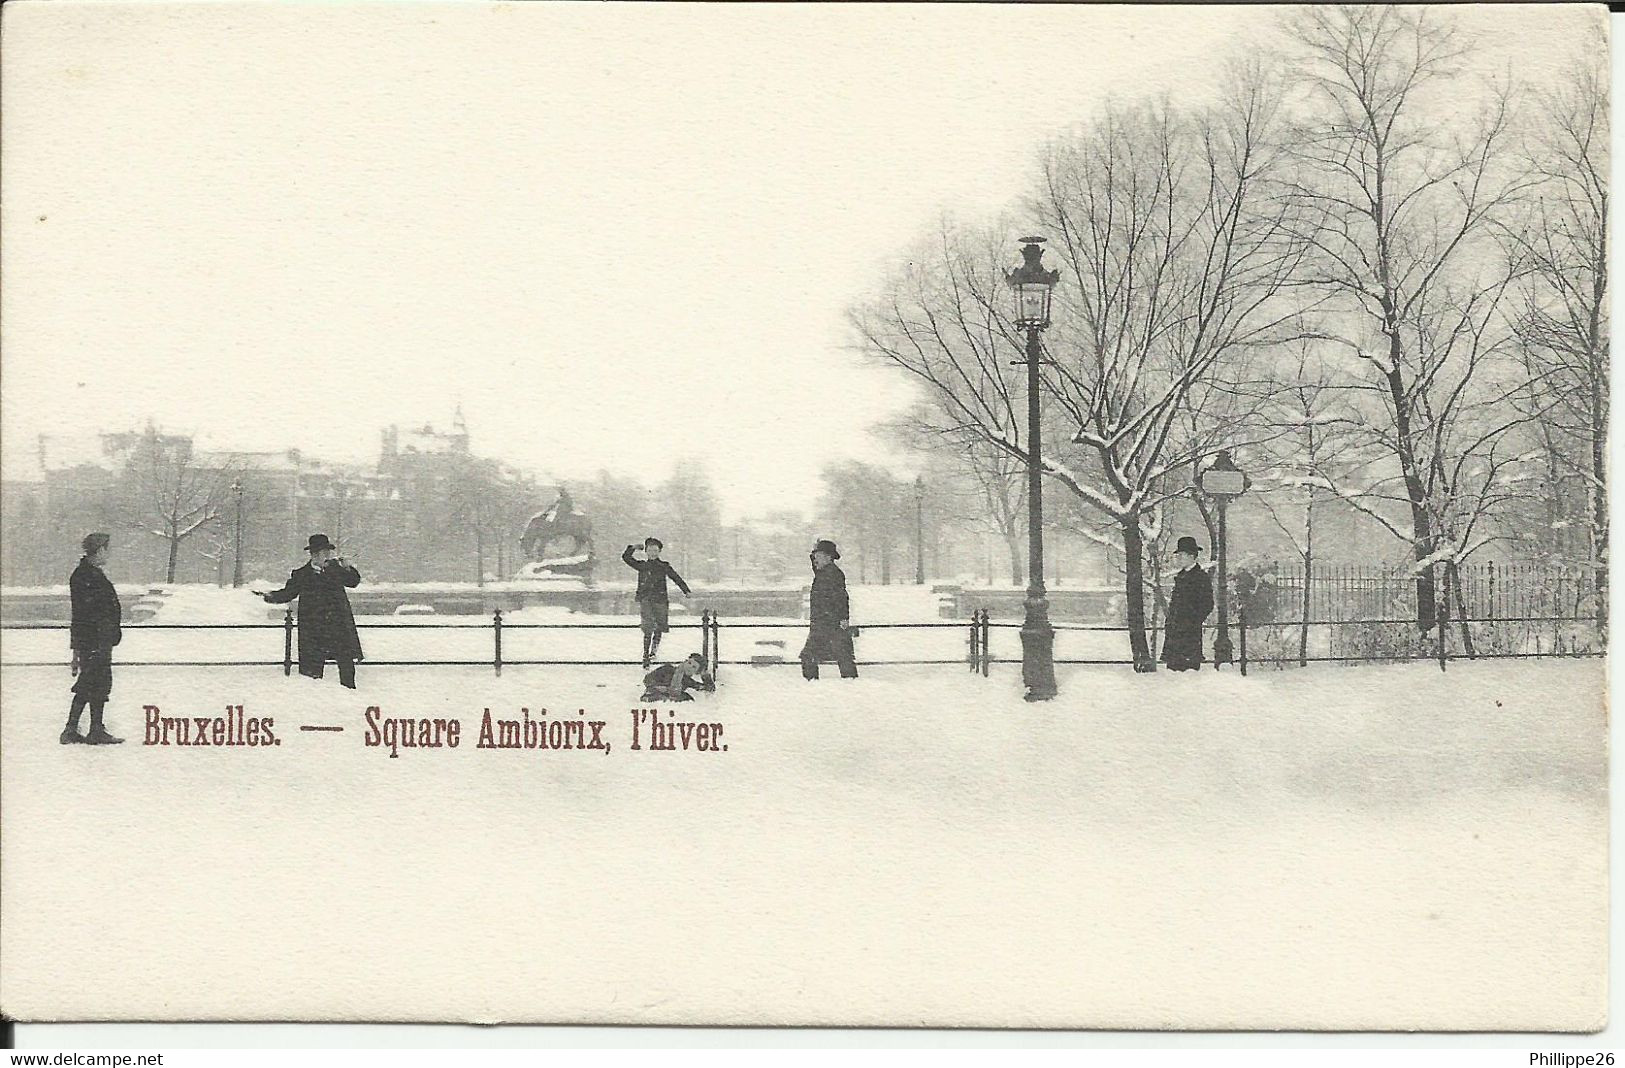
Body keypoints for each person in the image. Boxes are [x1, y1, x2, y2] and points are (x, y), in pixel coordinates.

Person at [258, 533, 364, 688]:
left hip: (338, 626)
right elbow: (288, 593)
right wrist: (269, 596)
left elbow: (353, 582)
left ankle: (350, 696)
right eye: (324, 553)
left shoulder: (336, 569)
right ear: (314, 554)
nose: (328, 556)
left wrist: (348, 567)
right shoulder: (302, 574)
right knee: (312, 671)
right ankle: (313, 699)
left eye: (329, 552)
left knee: (346, 666)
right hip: (314, 629)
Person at [64, 532, 124, 744]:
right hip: (95, 640)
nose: (108, 554)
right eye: (107, 549)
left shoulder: (87, 574)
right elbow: (87, 613)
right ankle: (78, 729)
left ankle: (89, 728)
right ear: (99, 550)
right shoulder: (87, 576)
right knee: (91, 682)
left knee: (96, 682)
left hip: (97, 639)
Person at [622, 537, 692, 668]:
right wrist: (633, 548)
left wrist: (686, 590)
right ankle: (645, 655)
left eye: (655, 550)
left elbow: (676, 577)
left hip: (660, 599)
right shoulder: (642, 565)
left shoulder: (664, 566)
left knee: (659, 626)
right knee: (648, 626)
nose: (653, 553)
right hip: (646, 599)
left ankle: (653, 651)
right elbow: (626, 558)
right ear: (646, 551)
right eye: (650, 550)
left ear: (659, 551)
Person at [801, 538, 857, 680]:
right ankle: (849, 683)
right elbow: (815, 566)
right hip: (823, 623)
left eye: (818, 556)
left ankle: (814, 684)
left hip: (831, 623)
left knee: (839, 657)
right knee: (840, 657)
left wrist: (844, 618)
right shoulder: (823, 572)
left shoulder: (834, 574)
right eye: (814, 557)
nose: (815, 560)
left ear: (828, 557)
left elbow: (842, 597)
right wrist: (813, 552)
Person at [1161, 535, 1214, 672]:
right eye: (1178, 555)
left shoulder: (1201, 578)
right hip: (1174, 635)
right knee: (1173, 675)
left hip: (1190, 635)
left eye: (1182, 555)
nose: (1179, 558)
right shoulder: (1180, 576)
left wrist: (1191, 621)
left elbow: (1207, 604)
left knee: (1189, 674)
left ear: (1192, 556)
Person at [640, 653, 714, 702]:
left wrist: (705, 674)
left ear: (696, 672)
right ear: (684, 662)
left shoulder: (687, 680)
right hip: (654, 693)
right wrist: (659, 686)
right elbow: (647, 679)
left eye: (694, 667)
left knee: (687, 698)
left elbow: (708, 688)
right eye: (689, 663)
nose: (689, 667)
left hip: (671, 698)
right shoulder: (667, 669)